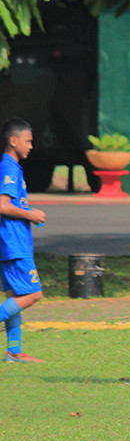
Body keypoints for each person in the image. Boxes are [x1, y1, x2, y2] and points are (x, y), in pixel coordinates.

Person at [0, 118, 47, 363]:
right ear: (13, 140)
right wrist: (31, 214)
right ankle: (14, 352)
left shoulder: (12, 167)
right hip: (14, 244)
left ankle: (13, 351)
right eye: (28, 140)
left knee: (14, 296)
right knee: (32, 294)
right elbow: (2, 204)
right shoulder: (8, 166)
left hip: (11, 243)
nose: (31, 145)